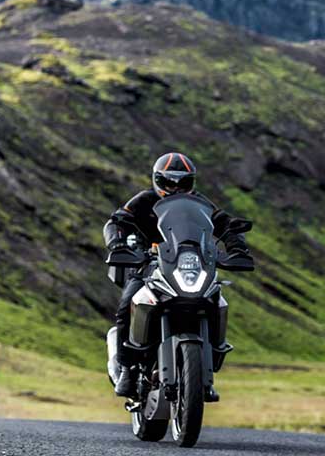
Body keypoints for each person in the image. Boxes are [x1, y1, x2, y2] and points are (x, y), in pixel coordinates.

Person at [102, 152, 252, 398]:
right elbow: (117, 221)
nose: (175, 187)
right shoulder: (143, 200)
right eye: (168, 182)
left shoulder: (201, 204)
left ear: (191, 183)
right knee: (127, 304)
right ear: (157, 181)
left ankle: (207, 370)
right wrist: (118, 244)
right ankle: (127, 370)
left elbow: (226, 223)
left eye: (183, 183)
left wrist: (238, 247)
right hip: (149, 264)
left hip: (191, 265)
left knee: (216, 299)